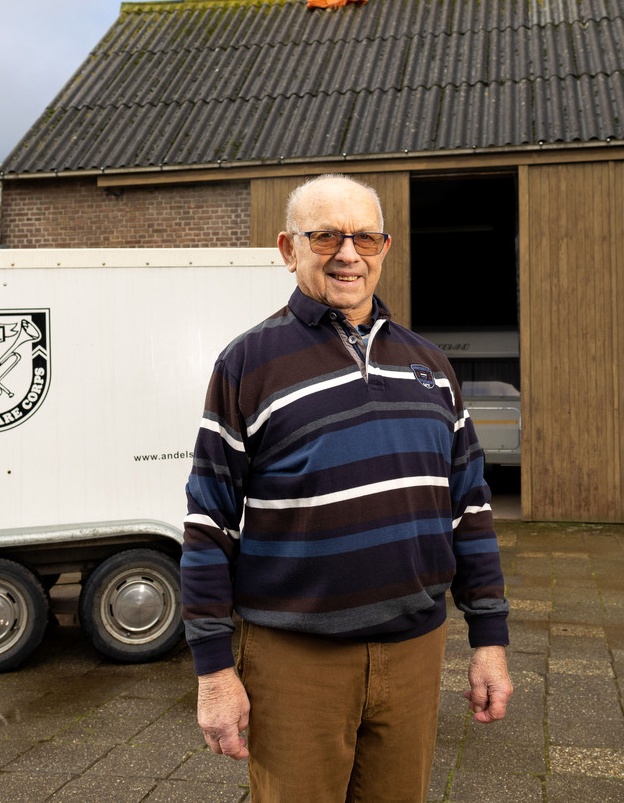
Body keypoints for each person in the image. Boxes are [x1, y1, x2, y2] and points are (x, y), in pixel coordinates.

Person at [181, 174, 512, 802]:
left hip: (415, 650)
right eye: (326, 235)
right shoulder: (247, 363)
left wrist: (489, 642)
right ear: (289, 249)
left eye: (365, 237)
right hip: (295, 660)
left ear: (385, 247)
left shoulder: (431, 365)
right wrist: (214, 673)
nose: (348, 254)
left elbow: (470, 510)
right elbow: (208, 524)